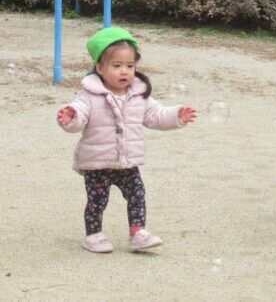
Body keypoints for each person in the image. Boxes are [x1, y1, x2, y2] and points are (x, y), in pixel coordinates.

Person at [56, 26, 197, 253]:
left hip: (128, 162)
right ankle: (93, 234)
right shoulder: (88, 96)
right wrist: (70, 117)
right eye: (117, 66)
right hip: (97, 163)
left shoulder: (139, 95)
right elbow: (78, 116)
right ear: (100, 68)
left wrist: (176, 115)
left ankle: (138, 233)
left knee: (137, 195)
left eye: (130, 66)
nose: (125, 71)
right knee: (97, 201)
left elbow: (155, 115)